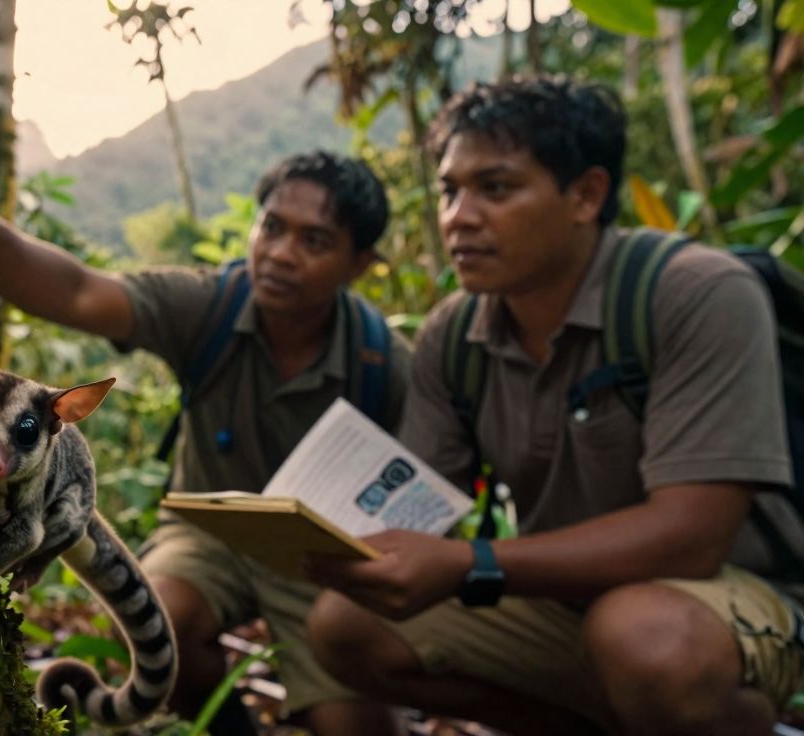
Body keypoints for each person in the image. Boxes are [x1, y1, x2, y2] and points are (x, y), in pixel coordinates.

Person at [303, 75, 803, 736]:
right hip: (568, 603)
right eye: (451, 190)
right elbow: (419, 507)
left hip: (736, 596)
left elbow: (693, 536)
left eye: (497, 188)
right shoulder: (454, 335)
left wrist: (473, 563)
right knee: (347, 626)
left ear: (586, 195)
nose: (459, 217)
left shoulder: (694, 293)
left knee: (647, 640)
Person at [0, 118, 411, 735]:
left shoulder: (384, 362)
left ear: (361, 263)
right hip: (211, 534)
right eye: (272, 227)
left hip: (320, 556)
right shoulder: (210, 307)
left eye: (315, 240)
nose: (282, 253)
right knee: (170, 625)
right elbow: (79, 292)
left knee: (358, 723)